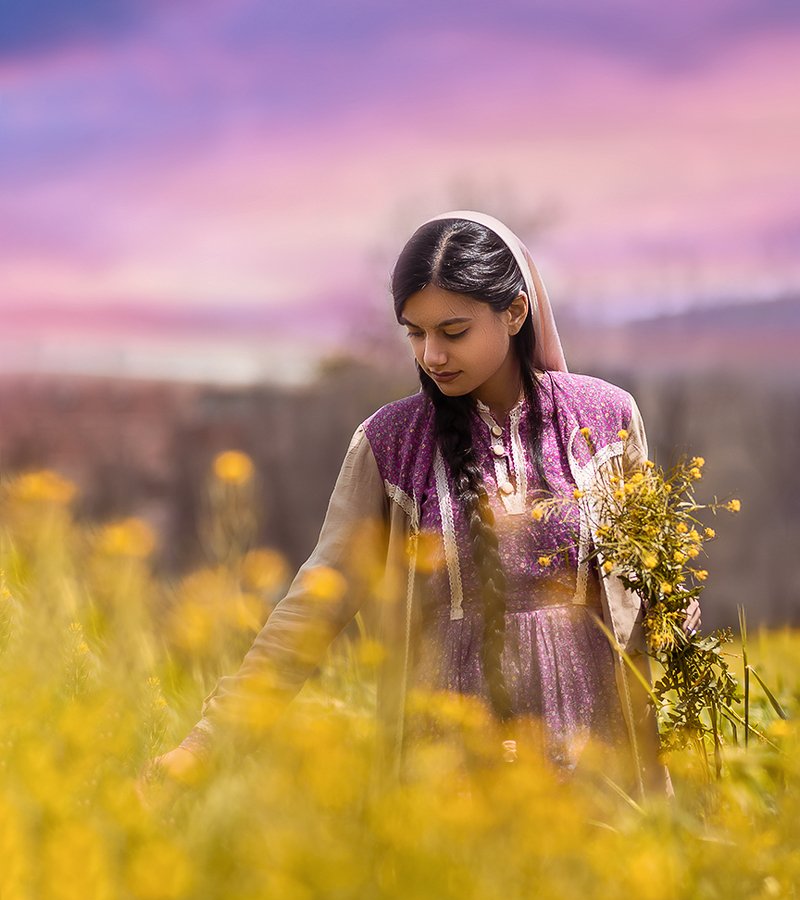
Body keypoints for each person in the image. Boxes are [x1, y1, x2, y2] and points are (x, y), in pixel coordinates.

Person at [142, 210, 700, 802]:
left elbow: (655, 578)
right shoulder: (390, 444)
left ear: (514, 313)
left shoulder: (606, 418)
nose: (432, 354)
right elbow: (314, 606)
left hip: (598, 759)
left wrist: (681, 633)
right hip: (448, 770)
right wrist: (206, 745)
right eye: (415, 332)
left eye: (453, 331)